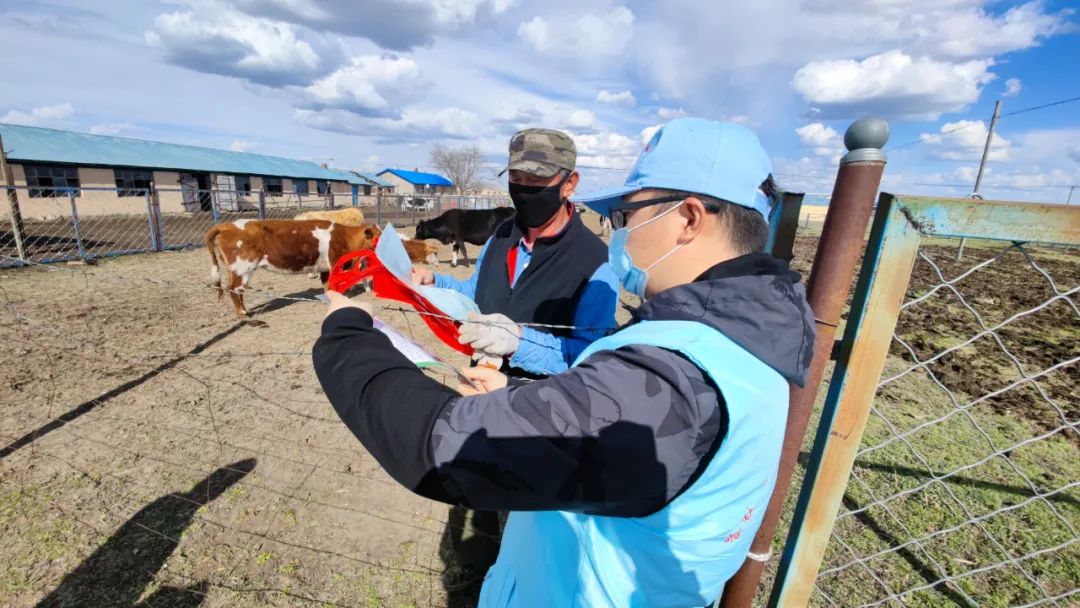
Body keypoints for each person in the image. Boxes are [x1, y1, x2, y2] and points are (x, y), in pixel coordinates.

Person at [315, 117, 815, 606]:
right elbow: (604, 412)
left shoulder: (673, 378)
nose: (620, 230)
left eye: (627, 215)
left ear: (687, 218)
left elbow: (441, 446)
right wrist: (509, 395)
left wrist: (348, 331)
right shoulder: (735, 341)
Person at [412, 128, 619, 379]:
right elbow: (477, 293)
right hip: (480, 392)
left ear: (569, 184)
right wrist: (437, 284)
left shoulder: (596, 262)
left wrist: (518, 342)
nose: (523, 191)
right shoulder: (501, 235)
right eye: (516, 178)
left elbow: (590, 354)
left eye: (535, 181)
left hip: (540, 407)